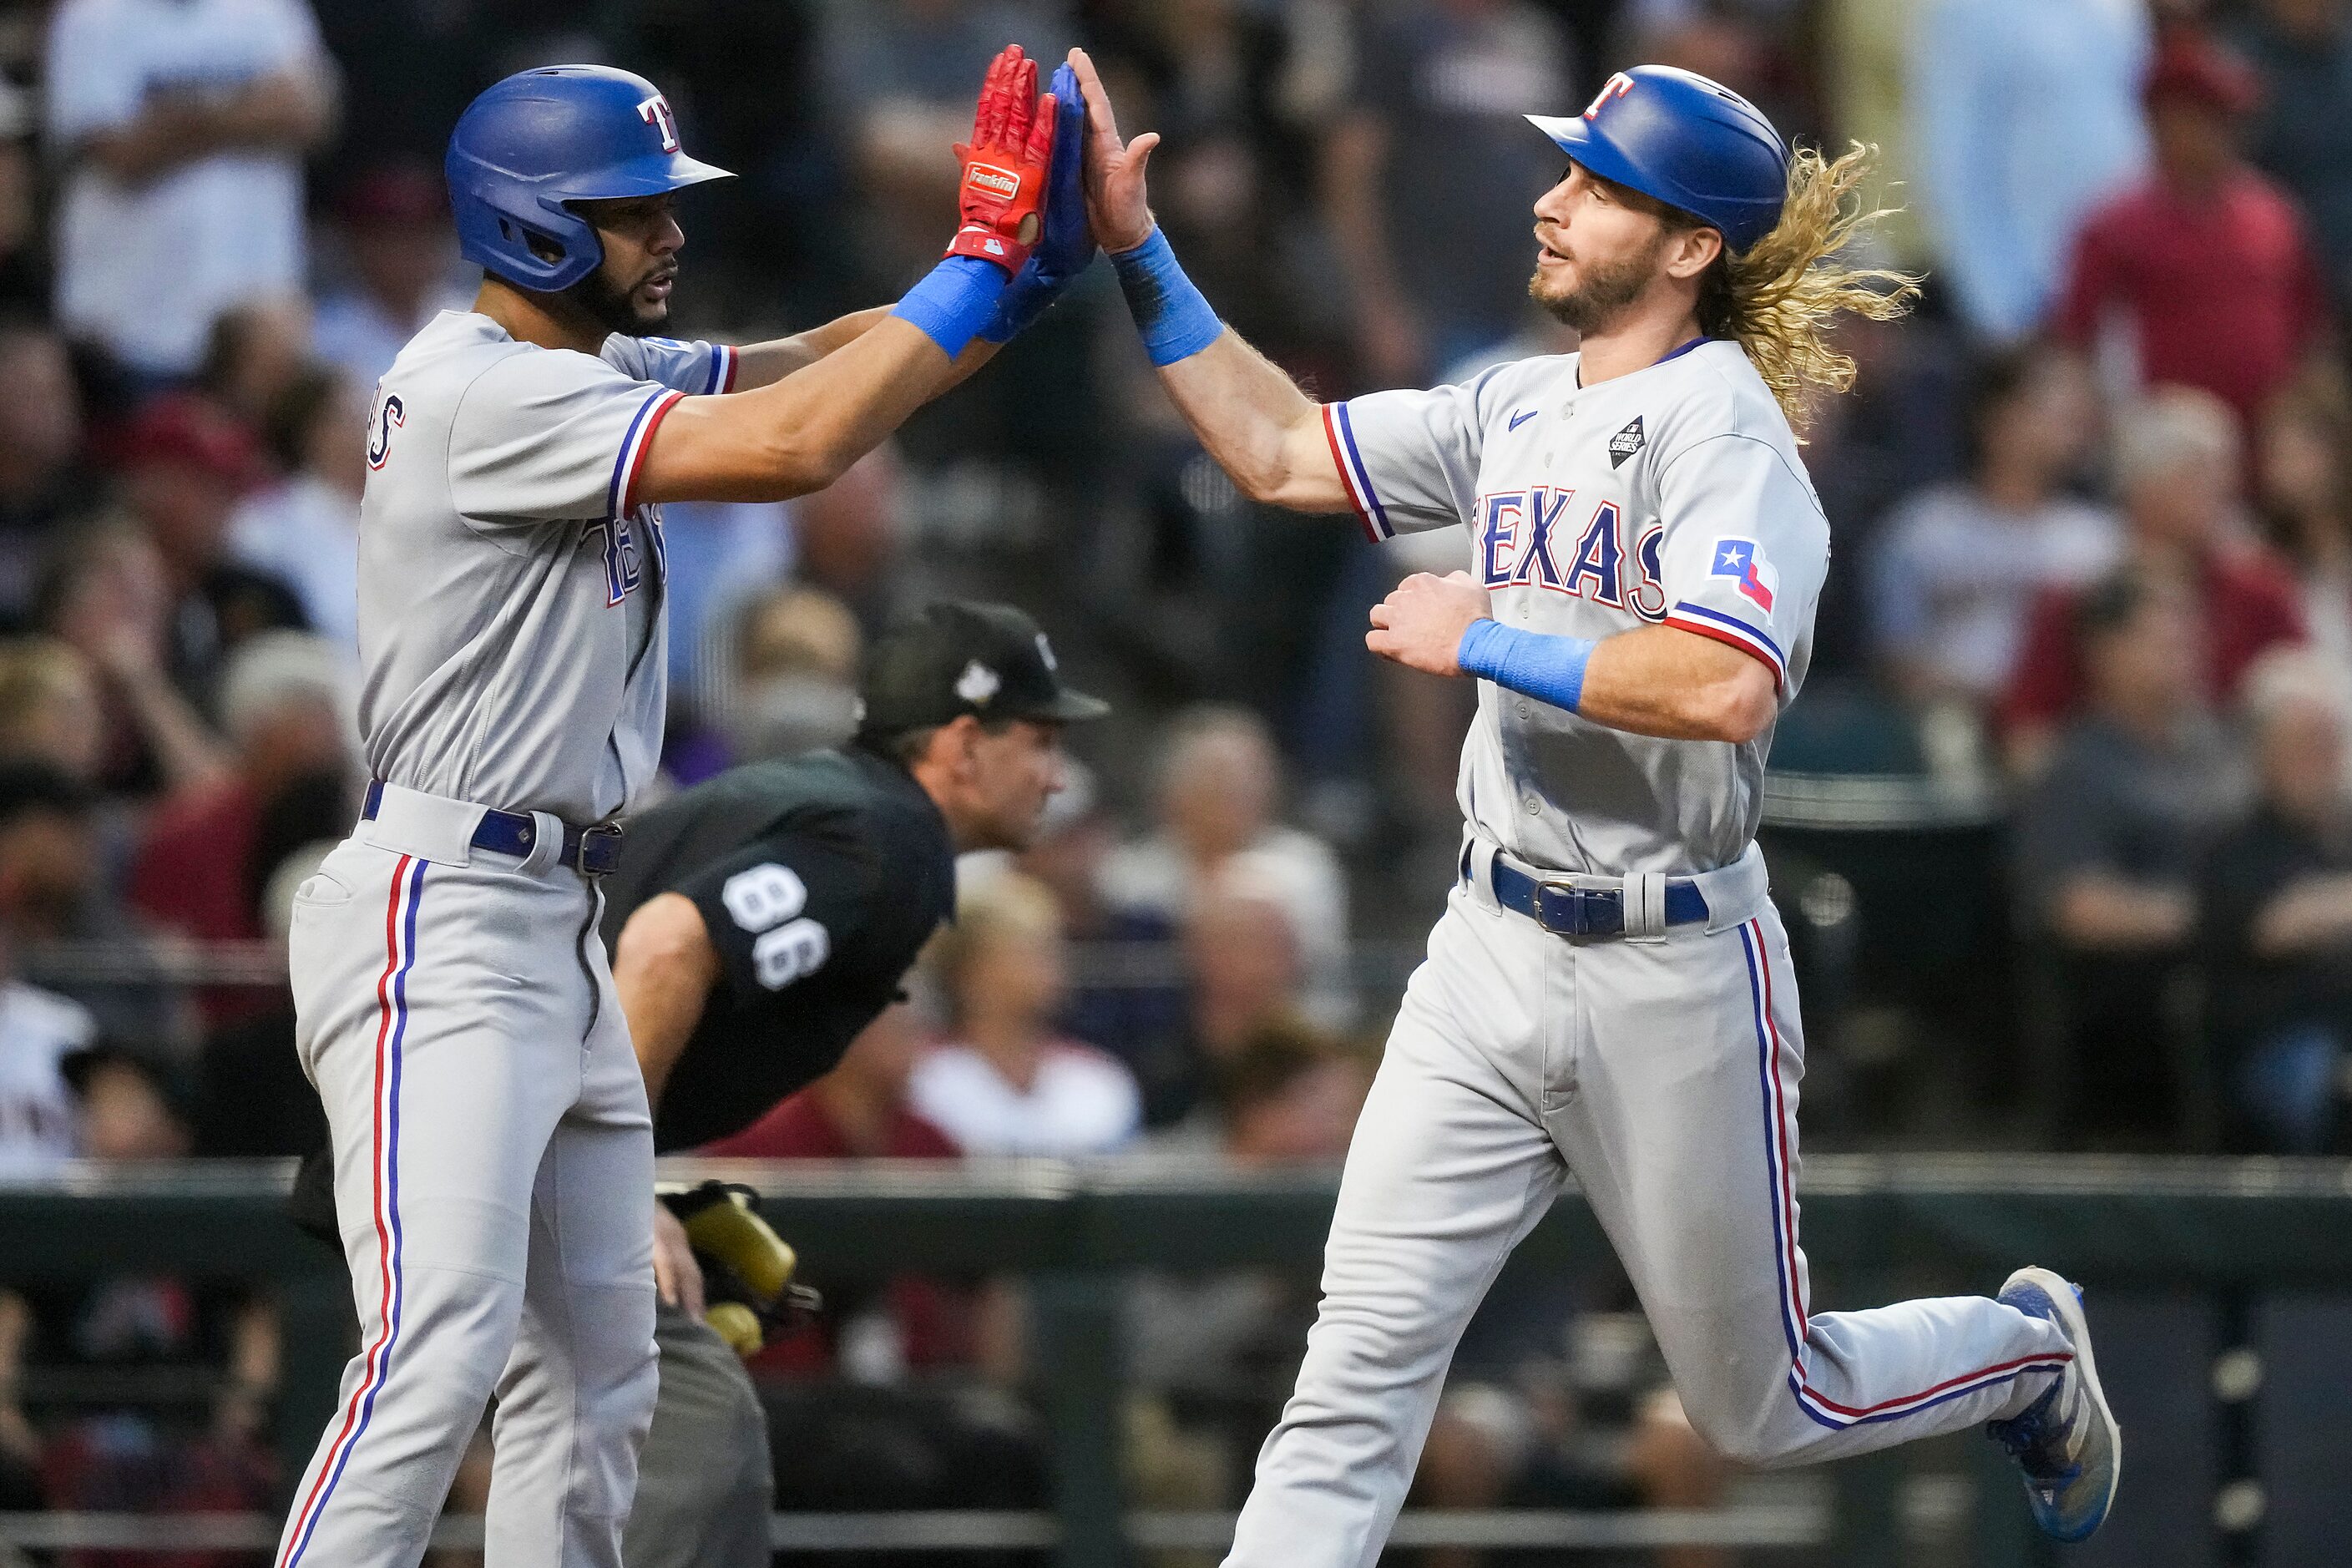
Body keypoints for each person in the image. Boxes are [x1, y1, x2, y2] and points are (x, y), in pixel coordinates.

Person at [1068, 51, 2122, 1551]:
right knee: (1352, 1373)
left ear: (1689, 247)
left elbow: (1723, 684)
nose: (1553, 203)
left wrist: (1482, 632)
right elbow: (1281, 450)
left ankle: (2022, 1355)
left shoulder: (1728, 436)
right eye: (1566, 173)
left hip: (1671, 959)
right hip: (1488, 939)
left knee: (1767, 1406)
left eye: (1599, 187)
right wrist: (1138, 246)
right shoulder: (1520, 401)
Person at [274, 51, 1086, 1568]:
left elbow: (810, 370)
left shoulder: (570, 376)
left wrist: (1014, 283)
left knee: (598, 1374)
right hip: (439, 910)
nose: (670, 235)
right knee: (433, 1350)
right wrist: (972, 271)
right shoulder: (479, 394)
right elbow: (795, 450)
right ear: (536, 227)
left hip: (550, 916)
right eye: (634, 212)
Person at [593, 598, 1106, 1568]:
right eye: (1038, 741)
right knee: (700, 1440)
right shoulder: (881, 840)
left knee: (615, 1449)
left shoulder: (855, 810)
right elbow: (667, 943)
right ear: (961, 746)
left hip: (491, 1107)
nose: (1057, 774)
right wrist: (616, 1175)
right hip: (506, 1117)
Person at [2015, 572, 2249, 1141]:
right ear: (2103, 653)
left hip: (2252, 978)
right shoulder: (2077, 770)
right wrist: (2221, 922)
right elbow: (2075, 909)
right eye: (2161, 639)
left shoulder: (2221, 749)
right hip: (2144, 1008)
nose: (2184, 651)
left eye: (2189, 636)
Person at [2000, 386, 2306, 772]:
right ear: (2143, 486)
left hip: (2237, 794)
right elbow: (2029, 734)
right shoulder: (2076, 600)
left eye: (2227, 472)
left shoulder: (2262, 594)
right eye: (2199, 472)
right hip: (2109, 797)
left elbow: (2305, 703)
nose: (2225, 489)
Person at [2053, 29, 2331, 439]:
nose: (2216, 135)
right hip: (2168, 447)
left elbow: (2308, 327)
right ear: (2159, 122)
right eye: (2199, 118)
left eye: (2228, 119)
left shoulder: (2273, 214)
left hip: (2268, 442)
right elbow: (2076, 343)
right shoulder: (2116, 225)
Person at [42, 0, 334, 382]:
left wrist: (177, 119)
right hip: (131, 327)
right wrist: (248, 110)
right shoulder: (91, 17)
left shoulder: (268, 9)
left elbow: (310, 115)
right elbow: (122, 155)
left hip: (256, 324)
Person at [1867, 346, 2117, 711]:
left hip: (2066, 732)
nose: (2070, 424)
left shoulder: (2099, 541)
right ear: (1995, 418)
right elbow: (1894, 658)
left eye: (2078, 411)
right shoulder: (1923, 530)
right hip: (1945, 726)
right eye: (2052, 406)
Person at [2201, 653, 2352, 1152]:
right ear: (2264, 753)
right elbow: (2275, 925)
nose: (2324, 759)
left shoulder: (2343, 833)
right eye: (2306, 744)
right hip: (2280, 1041)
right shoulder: (2234, 840)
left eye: (2331, 742)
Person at [909, 869, 1143, 1155]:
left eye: (1053, 950)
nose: (1050, 966)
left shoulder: (1098, 1081)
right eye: (1027, 952)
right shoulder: (924, 1079)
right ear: (967, 973)